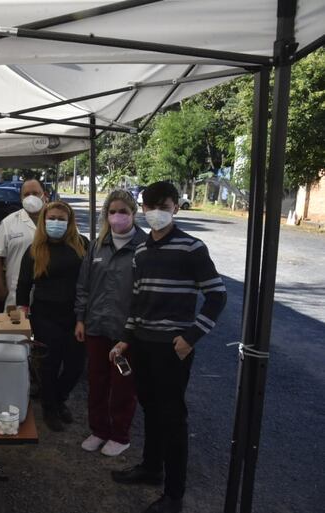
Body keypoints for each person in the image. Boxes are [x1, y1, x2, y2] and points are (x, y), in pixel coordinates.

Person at [110, 181, 227, 513]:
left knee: (173, 418)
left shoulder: (192, 248)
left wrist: (190, 337)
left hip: (172, 350)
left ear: (176, 206)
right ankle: (150, 468)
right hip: (142, 346)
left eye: (163, 205)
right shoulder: (142, 251)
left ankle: (174, 495)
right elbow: (137, 301)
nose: (156, 212)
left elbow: (217, 295)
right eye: (150, 206)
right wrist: (125, 338)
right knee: (150, 408)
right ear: (143, 209)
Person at [75, 190, 147, 457]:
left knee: (123, 385)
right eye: (113, 212)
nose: (118, 217)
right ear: (106, 215)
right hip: (96, 327)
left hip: (126, 333)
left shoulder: (144, 246)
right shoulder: (97, 245)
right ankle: (99, 430)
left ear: (134, 214)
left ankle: (120, 434)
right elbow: (83, 285)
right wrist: (80, 318)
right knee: (97, 382)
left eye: (124, 212)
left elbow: (146, 292)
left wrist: (134, 330)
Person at [16, 201, 87, 432]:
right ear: (44, 221)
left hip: (75, 316)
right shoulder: (34, 249)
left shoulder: (82, 245)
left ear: (69, 222)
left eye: (61, 219)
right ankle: (49, 407)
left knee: (75, 366)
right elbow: (23, 285)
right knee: (49, 364)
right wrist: (22, 312)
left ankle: (58, 398)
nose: (56, 222)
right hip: (45, 315)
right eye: (52, 218)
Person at [0, 179, 48, 307]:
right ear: (21, 198)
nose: (31, 197)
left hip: (51, 294)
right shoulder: (9, 222)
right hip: (16, 293)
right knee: (17, 325)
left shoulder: (59, 220)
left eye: (35, 193)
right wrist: (0, 285)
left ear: (45, 195)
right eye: (26, 194)